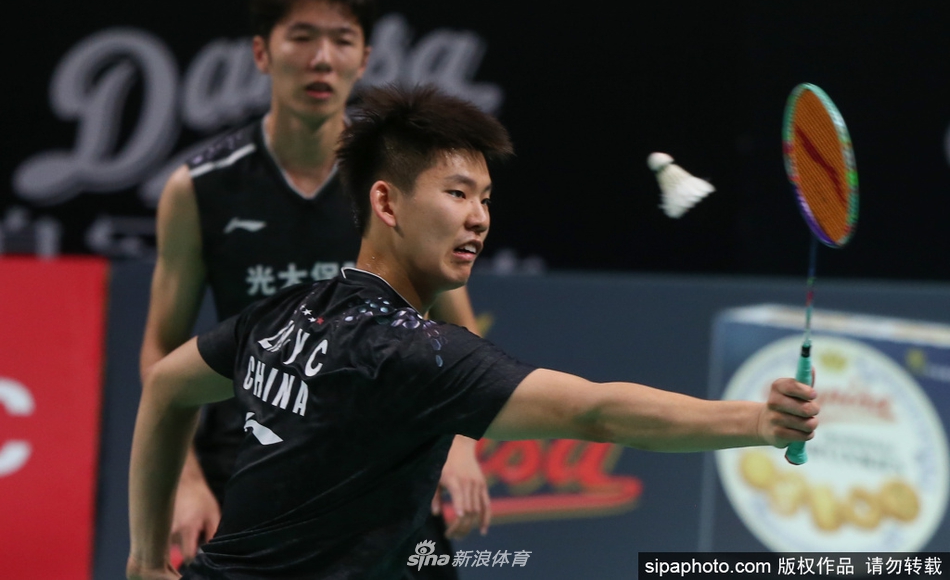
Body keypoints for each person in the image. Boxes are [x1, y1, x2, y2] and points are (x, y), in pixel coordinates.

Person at [128, 85, 820, 580]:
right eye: (457, 193)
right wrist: (756, 421)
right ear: (386, 202)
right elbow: (596, 411)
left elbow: (164, 388)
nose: (480, 218)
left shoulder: (283, 311)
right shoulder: (411, 353)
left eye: (486, 198)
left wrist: (146, 560)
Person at [139, 0, 487, 573]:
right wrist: (185, 483)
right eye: (301, 36)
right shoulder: (199, 189)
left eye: (342, 39)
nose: (322, 58)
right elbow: (163, 349)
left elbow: (457, 331)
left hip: (382, 460)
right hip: (250, 458)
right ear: (262, 52)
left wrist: (459, 444)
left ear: (364, 58)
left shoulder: (396, 183)